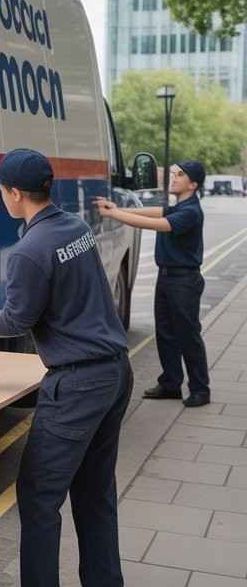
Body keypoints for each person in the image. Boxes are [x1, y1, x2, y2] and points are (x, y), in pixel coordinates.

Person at [0, 149, 132, 587]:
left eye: (1, 189)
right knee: (94, 491)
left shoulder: (30, 250)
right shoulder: (72, 227)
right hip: (114, 372)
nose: (1, 196)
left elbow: (18, 319)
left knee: (38, 496)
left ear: (14, 193)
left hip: (77, 384)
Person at [95, 160, 210, 408]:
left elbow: (157, 224)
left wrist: (115, 214)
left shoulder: (190, 211)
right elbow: (154, 213)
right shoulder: (179, 206)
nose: (173, 177)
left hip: (184, 281)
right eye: (173, 173)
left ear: (193, 183)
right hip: (167, 277)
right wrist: (118, 207)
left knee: (188, 335)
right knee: (166, 332)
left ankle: (200, 389)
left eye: (179, 174)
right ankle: (170, 384)